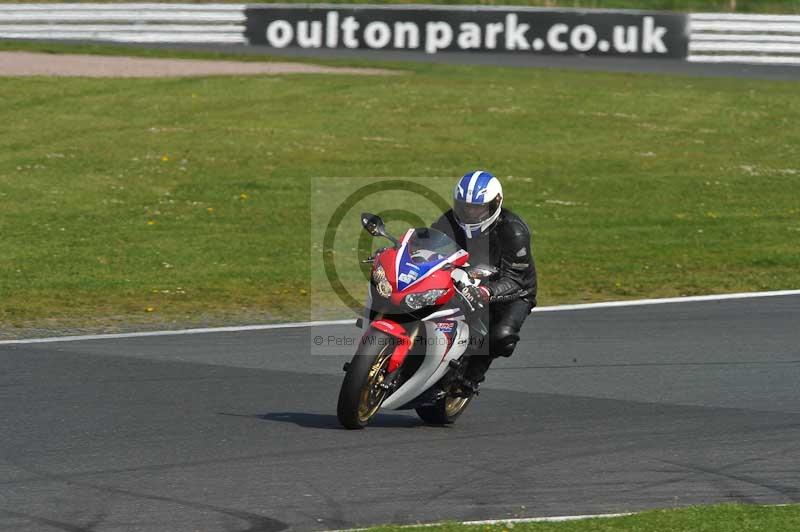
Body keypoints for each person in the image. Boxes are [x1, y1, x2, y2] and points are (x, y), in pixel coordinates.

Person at [431, 170, 537, 392]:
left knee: (501, 336)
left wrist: (487, 292)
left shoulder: (513, 230)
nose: (470, 212)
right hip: (466, 278)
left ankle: (470, 379)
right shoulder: (449, 220)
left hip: (513, 290)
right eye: (464, 206)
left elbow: (515, 278)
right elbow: (427, 245)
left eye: (478, 207)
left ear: (495, 203)